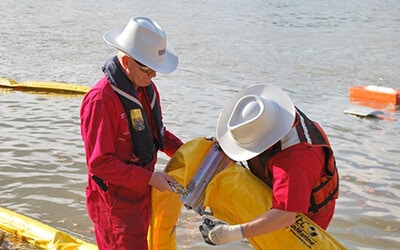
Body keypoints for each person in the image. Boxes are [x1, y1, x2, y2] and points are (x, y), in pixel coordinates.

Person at [80, 17, 183, 249]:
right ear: (126, 61)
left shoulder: (146, 86)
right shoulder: (100, 100)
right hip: (114, 204)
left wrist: (188, 150)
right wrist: (149, 178)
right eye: (148, 69)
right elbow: (99, 163)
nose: (153, 76)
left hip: (141, 194)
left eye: (155, 69)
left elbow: (156, 132)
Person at [200, 84, 339, 245]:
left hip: (307, 215)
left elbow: (285, 216)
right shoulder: (269, 112)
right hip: (281, 188)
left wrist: (230, 233)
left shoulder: (295, 161)